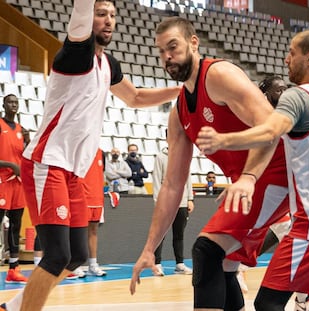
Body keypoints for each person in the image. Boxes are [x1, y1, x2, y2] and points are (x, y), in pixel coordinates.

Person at [0, 1, 181, 310]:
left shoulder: (108, 64)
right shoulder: (75, 54)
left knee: (77, 256)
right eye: (101, 14)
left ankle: (13, 307)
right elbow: (82, 11)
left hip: (73, 171)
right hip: (48, 162)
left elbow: (135, 97)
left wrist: (182, 88)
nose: (108, 20)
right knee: (57, 255)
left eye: (112, 15)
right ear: (88, 19)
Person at [130, 17, 290, 311]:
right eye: (162, 50)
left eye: (174, 47)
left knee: (206, 250)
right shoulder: (179, 111)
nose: (167, 56)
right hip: (250, 182)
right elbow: (172, 185)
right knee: (224, 260)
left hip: (274, 173)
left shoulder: (219, 75)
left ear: (193, 43)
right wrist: (149, 248)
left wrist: (248, 178)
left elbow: (272, 127)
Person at [196, 29, 309, 311]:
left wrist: (224, 139)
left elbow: (270, 132)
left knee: (267, 303)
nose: (286, 60)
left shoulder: (297, 96)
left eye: (291, 53)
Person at [152, 135, 194, 276]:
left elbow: (188, 178)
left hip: (181, 202)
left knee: (179, 234)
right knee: (160, 234)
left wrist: (190, 198)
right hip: (166, 201)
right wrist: (158, 201)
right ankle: (157, 264)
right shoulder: (160, 157)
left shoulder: (184, 155)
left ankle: (180, 264)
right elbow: (157, 179)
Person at [0, 94, 30, 284]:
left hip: (18, 182)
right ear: (3, 104)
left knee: (16, 225)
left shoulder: (21, 130)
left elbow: (26, 157)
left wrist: (28, 142)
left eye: (16, 103)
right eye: (10, 102)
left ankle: (13, 269)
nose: (14, 105)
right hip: (2, 180)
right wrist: (10, 165)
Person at [68, 149, 107, 279]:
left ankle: (93, 264)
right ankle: (75, 265)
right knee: (78, 232)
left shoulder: (101, 153)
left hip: (97, 196)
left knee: (93, 230)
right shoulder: (78, 149)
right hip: (81, 195)